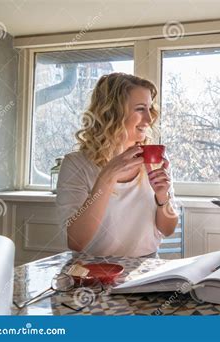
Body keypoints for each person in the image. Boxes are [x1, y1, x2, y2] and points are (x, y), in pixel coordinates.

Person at [56, 73, 178, 258]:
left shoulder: (155, 159)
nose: (149, 119)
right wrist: (107, 177)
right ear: (112, 113)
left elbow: (168, 230)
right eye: (140, 109)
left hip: (146, 270)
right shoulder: (76, 165)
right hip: (93, 273)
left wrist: (162, 197)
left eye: (149, 108)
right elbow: (76, 241)